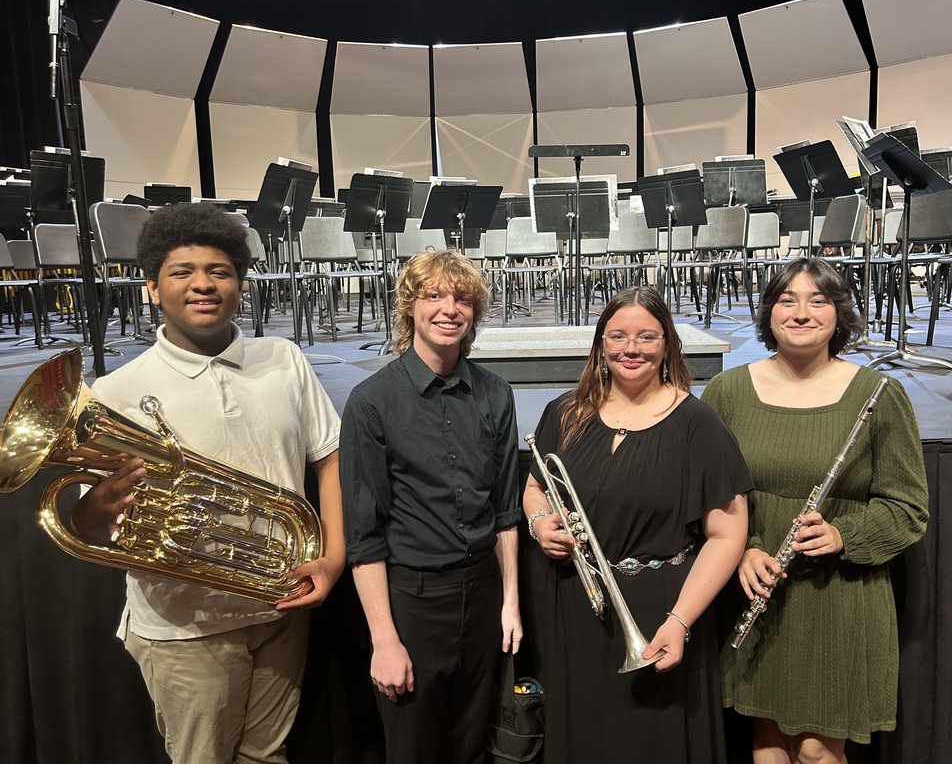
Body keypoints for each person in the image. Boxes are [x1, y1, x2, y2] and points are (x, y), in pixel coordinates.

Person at [71, 202, 345, 764]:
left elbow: (329, 459)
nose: (203, 285)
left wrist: (333, 558)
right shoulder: (118, 391)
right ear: (151, 287)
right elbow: (87, 523)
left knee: (267, 756)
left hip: (280, 605)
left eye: (219, 272)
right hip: (185, 625)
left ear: (240, 285)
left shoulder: (283, 358)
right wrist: (97, 507)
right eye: (182, 272)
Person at [701, 257, 929, 764]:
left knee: (816, 753)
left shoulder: (879, 395)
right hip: (759, 588)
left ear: (839, 314)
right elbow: (707, 498)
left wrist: (844, 535)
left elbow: (907, 508)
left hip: (840, 594)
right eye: (787, 300)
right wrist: (743, 551)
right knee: (768, 746)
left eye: (818, 301)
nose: (801, 313)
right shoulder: (727, 392)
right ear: (768, 313)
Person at [522, 285, 752, 763]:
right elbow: (536, 487)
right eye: (618, 336)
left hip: (663, 608)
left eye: (647, 336)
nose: (631, 349)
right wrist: (540, 522)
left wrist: (680, 621)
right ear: (600, 345)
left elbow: (728, 534)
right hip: (581, 608)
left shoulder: (696, 423)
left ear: (667, 343)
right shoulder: (565, 413)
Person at [340, 249, 522, 764]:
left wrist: (509, 602)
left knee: (473, 747)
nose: (449, 309)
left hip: (482, 595)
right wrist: (385, 640)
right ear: (409, 308)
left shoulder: (495, 393)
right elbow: (365, 534)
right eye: (434, 295)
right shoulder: (372, 402)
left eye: (462, 298)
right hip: (414, 601)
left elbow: (506, 508)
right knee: (414, 750)